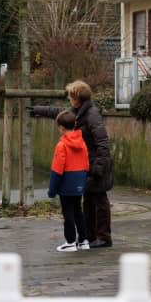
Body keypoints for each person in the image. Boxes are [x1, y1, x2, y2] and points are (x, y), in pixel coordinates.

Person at [33, 80, 113, 248]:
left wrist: (98, 169)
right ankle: (90, 237)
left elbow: (103, 143)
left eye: (70, 96)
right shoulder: (78, 112)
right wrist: (37, 110)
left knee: (100, 201)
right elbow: (59, 113)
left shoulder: (92, 115)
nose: (69, 99)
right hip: (87, 165)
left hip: (96, 165)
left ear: (77, 98)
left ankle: (104, 237)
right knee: (88, 202)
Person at [48, 110, 90, 252]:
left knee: (68, 213)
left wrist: (52, 190)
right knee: (78, 211)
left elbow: (57, 170)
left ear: (61, 127)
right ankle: (84, 241)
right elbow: (86, 164)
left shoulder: (62, 145)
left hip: (66, 183)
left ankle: (70, 241)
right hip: (79, 183)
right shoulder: (82, 143)